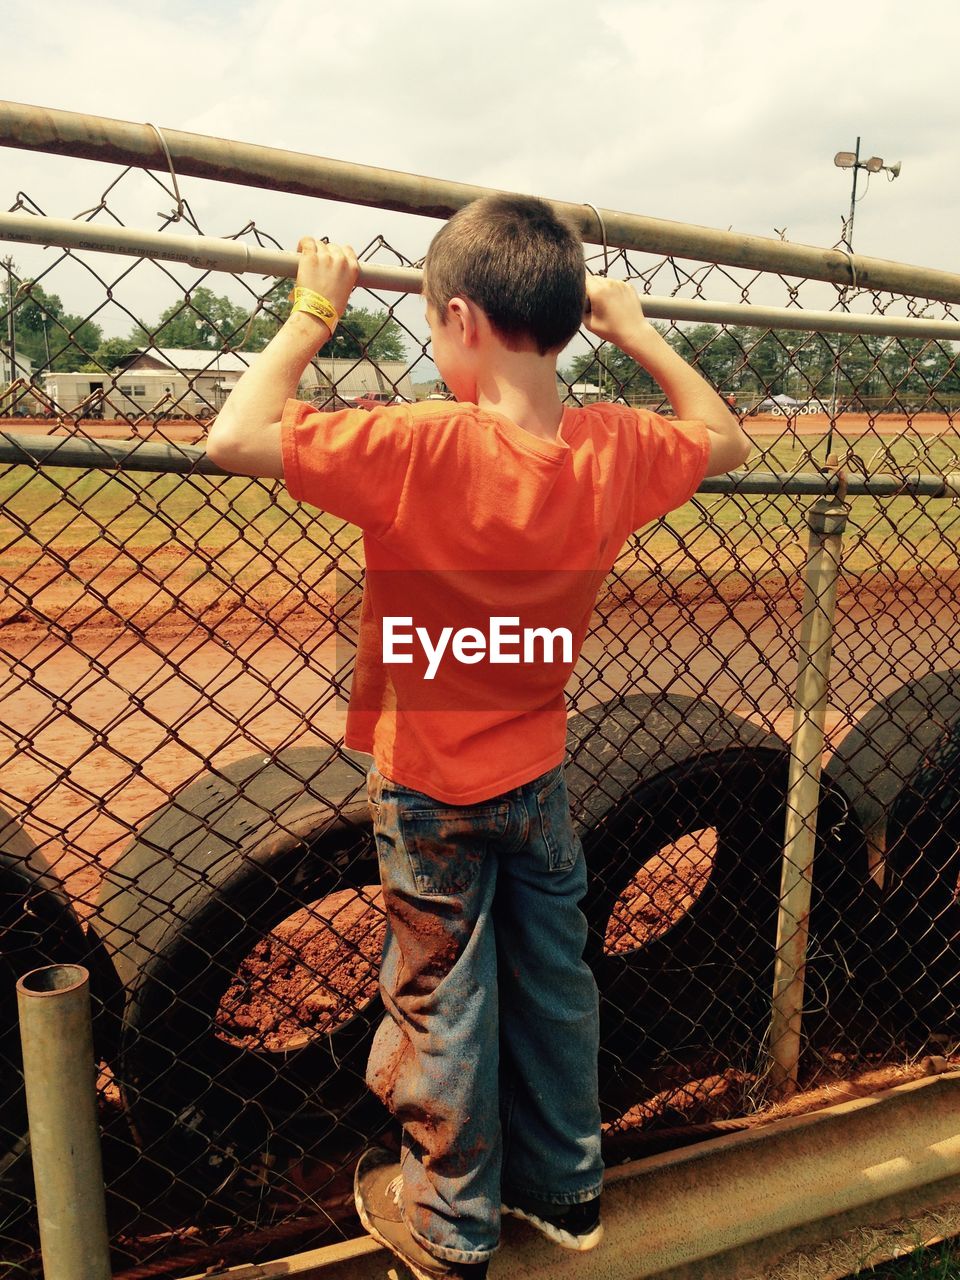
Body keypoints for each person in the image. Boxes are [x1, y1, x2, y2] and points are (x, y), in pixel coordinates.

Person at [206, 195, 750, 1280]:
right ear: (559, 318)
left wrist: (314, 312)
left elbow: (234, 434)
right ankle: (567, 1188)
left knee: (441, 994)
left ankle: (453, 1227)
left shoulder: (421, 444)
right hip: (541, 772)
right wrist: (634, 326)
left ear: (459, 317)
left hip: (429, 783)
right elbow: (726, 436)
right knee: (553, 977)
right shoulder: (611, 446)